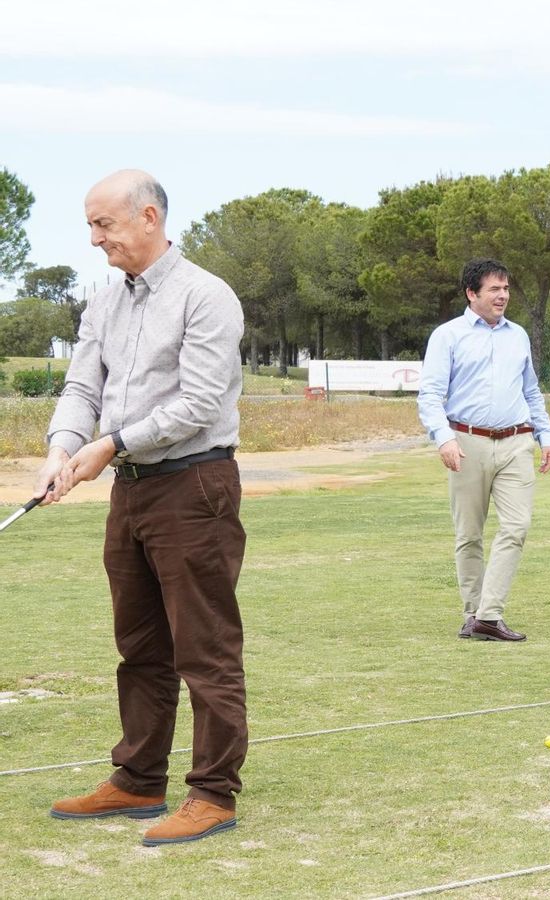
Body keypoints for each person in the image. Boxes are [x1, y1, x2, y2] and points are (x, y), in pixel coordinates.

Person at [34, 170, 248, 845]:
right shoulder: (103, 303)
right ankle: (138, 779)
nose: (95, 239)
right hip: (131, 490)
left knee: (204, 648)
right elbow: (81, 385)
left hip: (194, 485)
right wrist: (61, 450)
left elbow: (199, 405)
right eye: (92, 225)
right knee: (140, 646)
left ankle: (213, 793)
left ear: (148, 217)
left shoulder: (205, 296)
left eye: (105, 225)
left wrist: (109, 445)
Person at [418, 258, 550, 642]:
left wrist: (546, 435)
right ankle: (473, 614)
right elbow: (429, 394)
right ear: (471, 293)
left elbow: (531, 390)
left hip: (516, 442)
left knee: (518, 526)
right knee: (469, 534)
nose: (503, 296)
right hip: (466, 442)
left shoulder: (519, 336)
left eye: (506, 289)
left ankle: (489, 615)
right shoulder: (447, 336)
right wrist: (443, 437)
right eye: (494, 289)